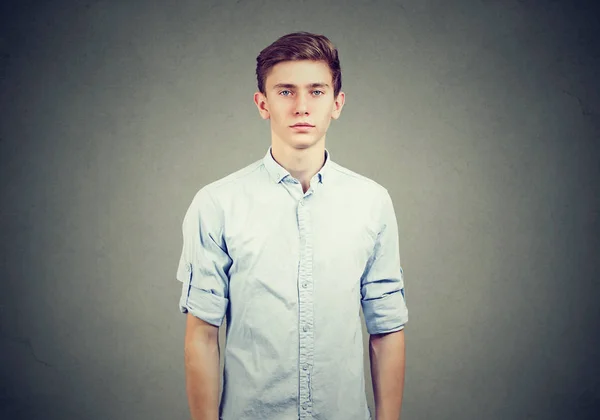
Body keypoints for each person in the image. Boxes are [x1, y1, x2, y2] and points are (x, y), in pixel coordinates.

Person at [176, 31, 408, 420]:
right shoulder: (217, 203)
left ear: (337, 103)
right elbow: (202, 333)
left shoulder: (372, 202)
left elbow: (386, 329)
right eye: (286, 92)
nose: (302, 106)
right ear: (262, 104)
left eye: (316, 92)